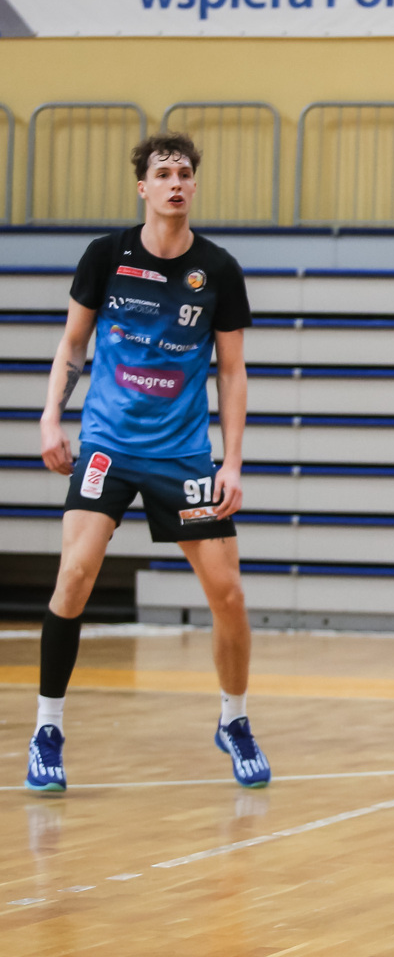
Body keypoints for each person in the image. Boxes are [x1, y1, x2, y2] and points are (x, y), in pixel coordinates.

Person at [27, 132, 269, 792]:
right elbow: (72, 345)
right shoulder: (106, 256)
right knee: (74, 578)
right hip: (107, 445)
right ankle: (48, 730)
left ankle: (235, 720)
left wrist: (232, 462)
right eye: (163, 173)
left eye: (184, 173)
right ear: (143, 187)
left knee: (228, 595)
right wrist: (50, 416)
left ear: (194, 186)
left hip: (182, 456)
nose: (175, 183)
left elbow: (232, 371)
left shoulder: (217, 269)